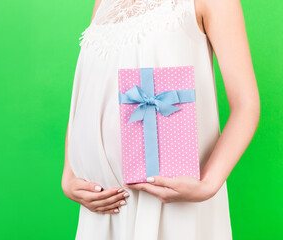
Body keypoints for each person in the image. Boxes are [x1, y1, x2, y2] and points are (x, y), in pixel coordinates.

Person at [61, 0, 260, 239]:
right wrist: (69, 174)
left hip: (171, 199)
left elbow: (246, 105)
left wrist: (208, 184)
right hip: (102, 204)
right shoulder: (103, 2)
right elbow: (88, 92)